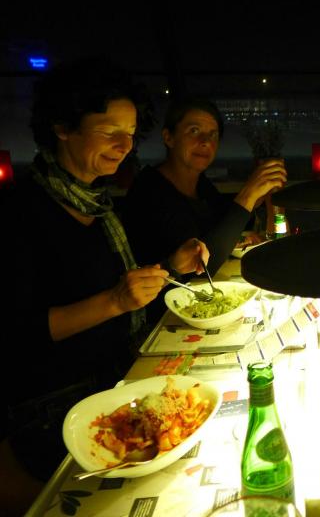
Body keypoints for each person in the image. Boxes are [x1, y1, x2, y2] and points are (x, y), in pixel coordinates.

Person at [0, 57, 208, 511]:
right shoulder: (20, 213)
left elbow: (122, 289)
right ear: (62, 127)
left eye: (131, 133)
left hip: (118, 379)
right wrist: (114, 301)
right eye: (109, 130)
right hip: (56, 409)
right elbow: (18, 334)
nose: (124, 145)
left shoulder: (99, 205)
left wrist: (170, 267)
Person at [123, 97, 287, 278]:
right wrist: (248, 195)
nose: (206, 141)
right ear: (169, 137)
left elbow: (222, 223)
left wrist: (262, 197)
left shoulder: (201, 185)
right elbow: (201, 268)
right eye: (194, 131)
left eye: (213, 135)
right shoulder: (149, 191)